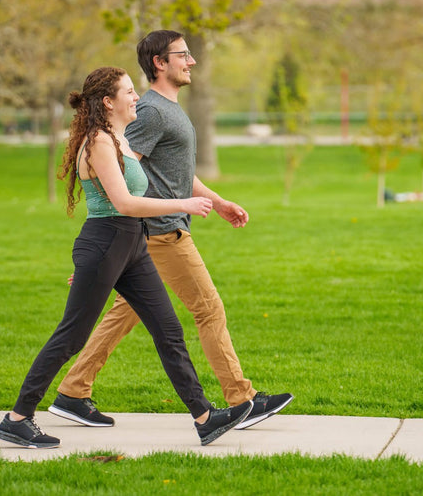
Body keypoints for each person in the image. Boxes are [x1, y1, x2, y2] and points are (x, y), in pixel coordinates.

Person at [0, 66, 253, 449]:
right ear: (108, 102)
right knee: (72, 336)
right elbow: (123, 203)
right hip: (107, 243)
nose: (137, 97)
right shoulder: (98, 141)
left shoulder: (118, 139)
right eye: (129, 92)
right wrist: (184, 203)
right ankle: (18, 418)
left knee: (168, 330)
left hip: (131, 247)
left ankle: (204, 417)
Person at [49, 30, 293, 431]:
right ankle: (243, 398)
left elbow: (175, 172)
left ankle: (73, 391)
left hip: (150, 234)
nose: (191, 60)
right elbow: (124, 168)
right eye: (183, 55)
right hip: (160, 231)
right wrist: (110, 243)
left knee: (124, 314)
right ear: (159, 63)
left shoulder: (167, 110)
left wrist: (218, 201)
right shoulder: (151, 112)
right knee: (208, 308)